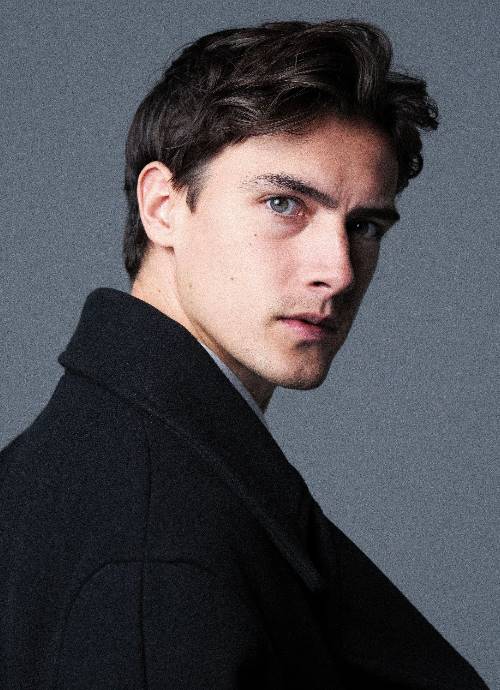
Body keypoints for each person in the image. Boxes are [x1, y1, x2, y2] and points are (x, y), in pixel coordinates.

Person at [0, 19, 489, 689]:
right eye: (284, 204)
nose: (339, 271)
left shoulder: (84, 464)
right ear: (163, 206)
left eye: (364, 226)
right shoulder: (156, 554)